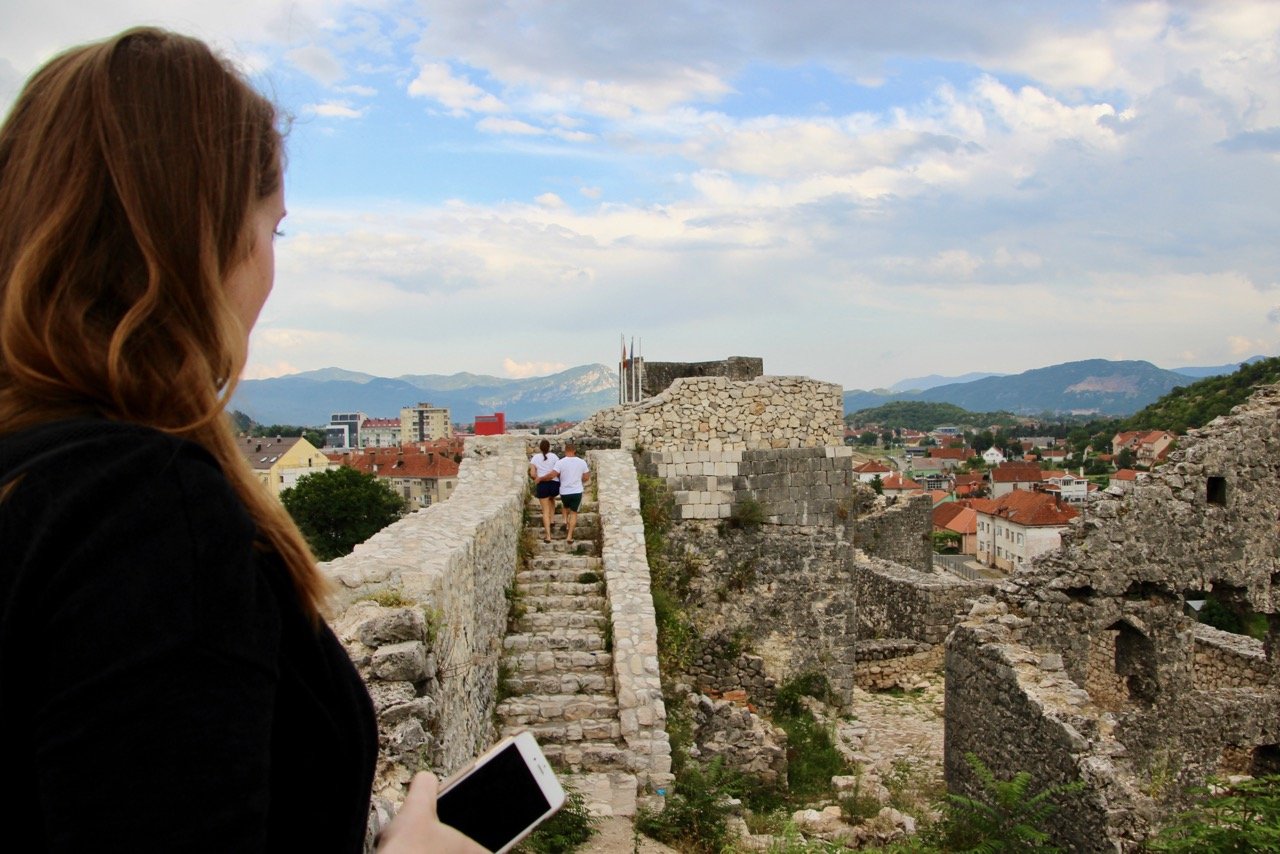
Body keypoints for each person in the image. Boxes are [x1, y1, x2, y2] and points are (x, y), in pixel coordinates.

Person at [0, 28, 482, 853]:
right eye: (274, 231)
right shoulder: (143, 511)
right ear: (208, 239)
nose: (269, 268)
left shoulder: (38, 471)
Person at [546, 442, 590, 544]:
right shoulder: (582, 462)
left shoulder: (560, 462)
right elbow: (586, 477)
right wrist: (580, 480)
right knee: (574, 513)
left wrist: (542, 478)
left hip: (564, 491)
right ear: (574, 451)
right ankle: (569, 537)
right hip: (577, 491)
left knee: (565, 506)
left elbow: (553, 475)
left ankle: (565, 520)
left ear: (565, 451)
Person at [529, 438, 560, 542]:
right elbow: (558, 471)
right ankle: (552, 519)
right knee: (552, 498)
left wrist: (537, 479)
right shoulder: (555, 457)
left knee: (545, 511)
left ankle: (548, 536)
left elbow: (532, 474)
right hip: (555, 485)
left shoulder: (535, 458)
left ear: (540, 448)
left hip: (542, 485)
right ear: (549, 447)